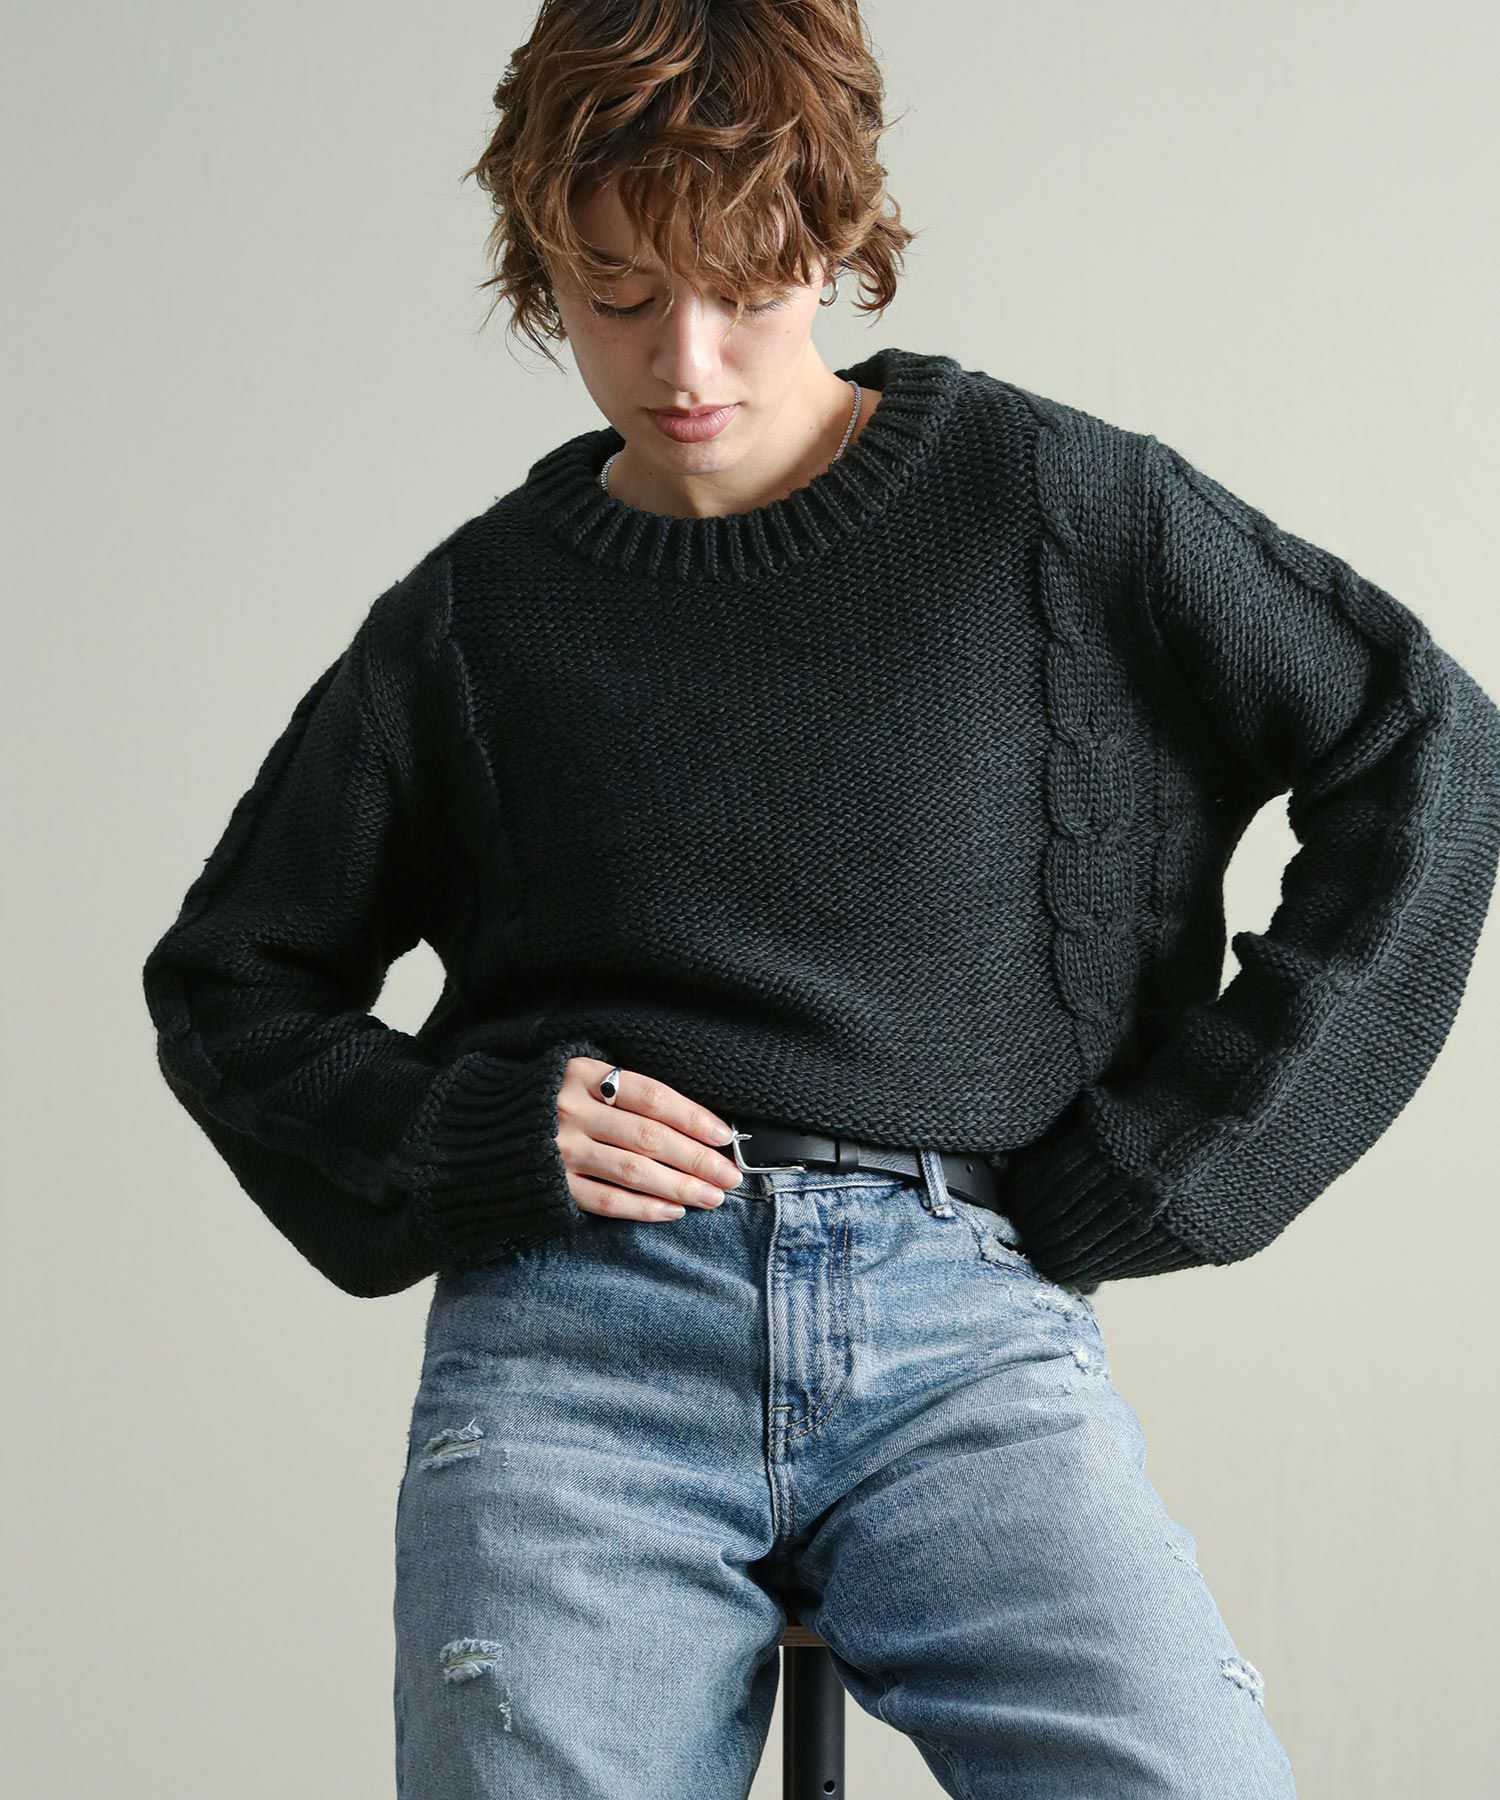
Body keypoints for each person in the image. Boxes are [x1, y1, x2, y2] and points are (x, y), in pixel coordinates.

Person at [140, 3, 1499, 1795]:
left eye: (747, 287)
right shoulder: (477, 616)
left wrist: (1189, 1154)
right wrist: (469, 1134)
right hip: (577, 1346)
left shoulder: (1038, 499)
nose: (684, 360)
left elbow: (1426, 744)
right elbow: (230, 980)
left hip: (962, 1324)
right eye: (620, 294)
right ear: (544, 264)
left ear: (837, 241)